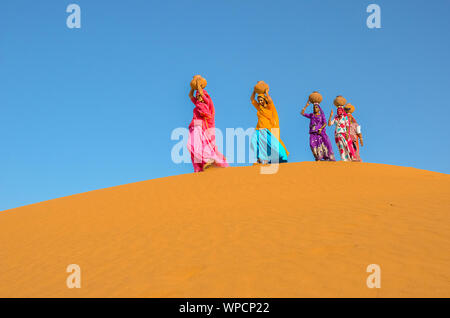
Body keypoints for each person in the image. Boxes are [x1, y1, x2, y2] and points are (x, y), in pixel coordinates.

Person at [187, 78, 228, 172]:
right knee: (192, 146)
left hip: (200, 126)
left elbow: (202, 95)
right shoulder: (197, 103)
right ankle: (202, 165)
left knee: (195, 145)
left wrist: (198, 84)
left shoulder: (206, 103)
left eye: (200, 96)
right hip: (194, 126)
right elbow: (190, 95)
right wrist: (193, 87)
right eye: (197, 97)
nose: (199, 98)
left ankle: (208, 160)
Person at [250, 87, 289, 164]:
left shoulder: (269, 107)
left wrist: (266, 93)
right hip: (258, 129)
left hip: (267, 129)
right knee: (253, 142)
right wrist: (254, 91)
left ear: (265, 100)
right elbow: (252, 99)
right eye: (259, 100)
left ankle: (271, 158)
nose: (260, 102)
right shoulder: (259, 108)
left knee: (272, 145)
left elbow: (270, 101)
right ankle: (259, 159)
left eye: (261, 100)